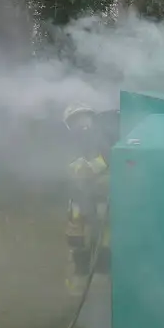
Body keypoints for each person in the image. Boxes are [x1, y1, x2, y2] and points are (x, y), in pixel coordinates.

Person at [63, 103, 115, 301]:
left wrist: (91, 170)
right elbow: (69, 166)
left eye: (84, 118)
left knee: (104, 240)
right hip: (80, 201)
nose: (82, 124)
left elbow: (107, 159)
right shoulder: (70, 144)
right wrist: (80, 170)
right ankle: (79, 288)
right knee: (78, 243)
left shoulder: (103, 139)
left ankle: (100, 286)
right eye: (76, 120)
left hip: (102, 200)